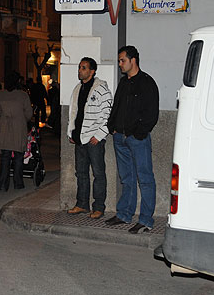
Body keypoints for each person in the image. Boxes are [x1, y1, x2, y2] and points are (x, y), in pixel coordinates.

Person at [105, 46, 159, 234]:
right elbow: (116, 106)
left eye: (122, 60)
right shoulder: (123, 83)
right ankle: (124, 214)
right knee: (126, 178)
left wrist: (139, 133)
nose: (120, 64)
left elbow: (152, 113)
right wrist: (112, 127)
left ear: (133, 60)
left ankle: (145, 220)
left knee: (145, 179)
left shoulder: (146, 82)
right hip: (120, 137)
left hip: (137, 139)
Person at [67, 57, 112, 219]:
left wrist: (99, 135)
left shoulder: (101, 89)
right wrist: (71, 132)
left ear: (92, 71)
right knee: (81, 173)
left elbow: (108, 114)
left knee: (98, 174)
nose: (80, 70)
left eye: (84, 68)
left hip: (94, 140)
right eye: (79, 67)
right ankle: (82, 204)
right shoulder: (77, 88)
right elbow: (74, 113)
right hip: (79, 139)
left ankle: (99, 207)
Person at [0, 71, 32, 191]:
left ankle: (3, 184)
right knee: (18, 157)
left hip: (5, 128)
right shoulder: (23, 95)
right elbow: (29, 114)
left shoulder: (1, 95)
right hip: (18, 128)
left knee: (5, 157)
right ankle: (18, 183)